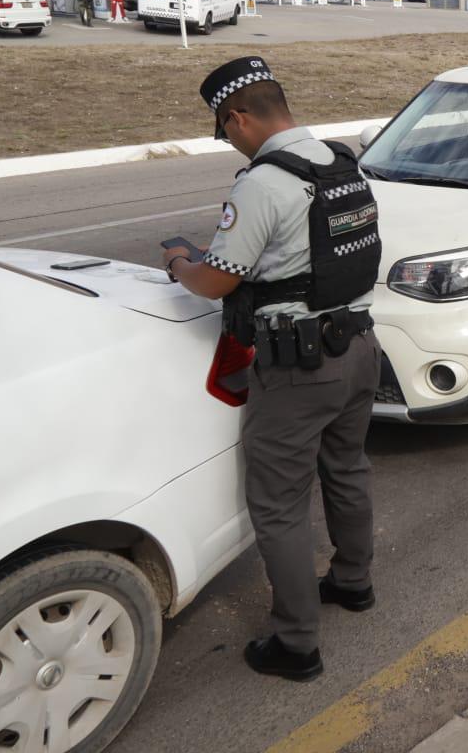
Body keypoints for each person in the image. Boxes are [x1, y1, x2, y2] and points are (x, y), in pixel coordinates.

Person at [162, 57, 383, 681]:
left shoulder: (263, 183)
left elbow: (213, 282)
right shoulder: (341, 165)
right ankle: (353, 583)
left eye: (224, 129)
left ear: (237, 117)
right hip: (360, 347)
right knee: (347, 469)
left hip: (298, 367)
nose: (229, 140)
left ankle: (296, 645)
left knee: (280, 505)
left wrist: (180, 262)